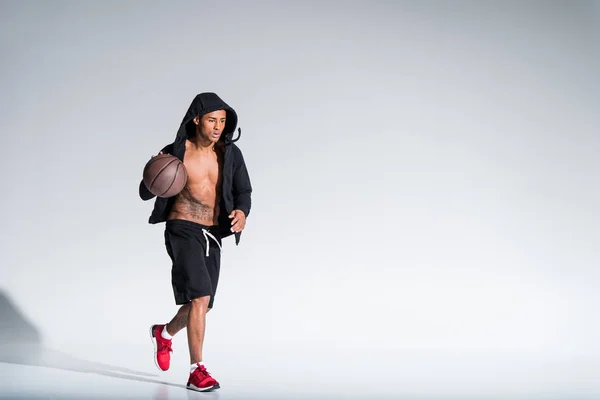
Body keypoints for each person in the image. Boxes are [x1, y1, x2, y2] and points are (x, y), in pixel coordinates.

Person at [138, 92, 252, 392]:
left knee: (203, 304)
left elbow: (244, 191)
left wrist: (242, 212)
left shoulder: (229, 154)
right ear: (197, 119)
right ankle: (196, 370)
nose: (218, 126)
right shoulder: (176, 151)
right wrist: (152, 170)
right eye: (212, 120)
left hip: (213, 233)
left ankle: (164, 333)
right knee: (200, 297)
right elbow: (145, 191)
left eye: (222, 121)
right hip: (181, 228)